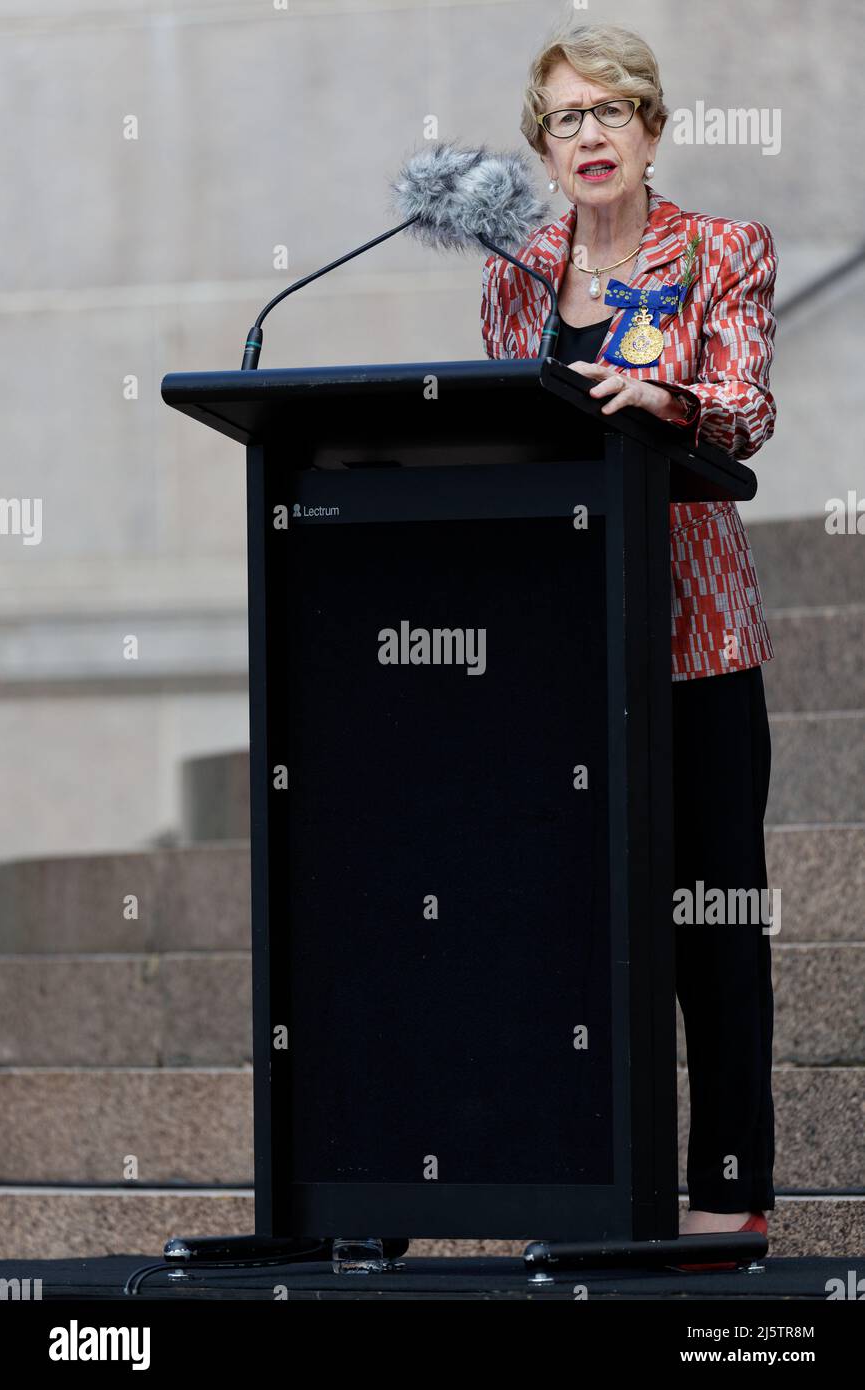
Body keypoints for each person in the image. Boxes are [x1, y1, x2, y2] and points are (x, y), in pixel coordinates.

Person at [481, 19, 778, 1269]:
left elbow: (748, 411)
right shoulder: (515, 274)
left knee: (709, 921)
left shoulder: (719, 251)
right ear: (541, 148)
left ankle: (727, 1195)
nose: (590, 136)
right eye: (565, 119)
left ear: (652, 128)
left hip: (693, 647)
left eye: (611, 111)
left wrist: (670, 399)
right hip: (562, 653)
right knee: (557, 923)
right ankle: (577, 1180)